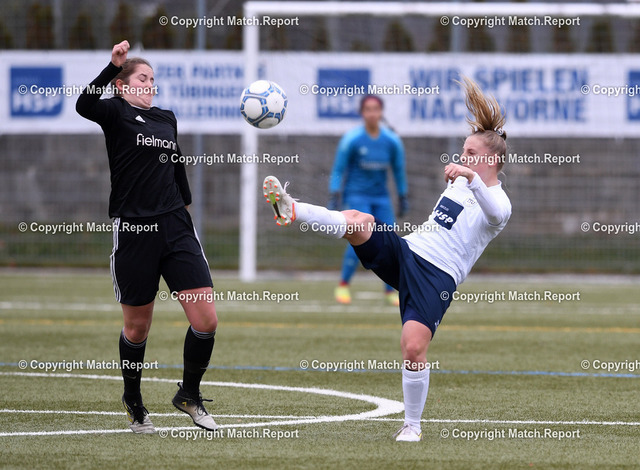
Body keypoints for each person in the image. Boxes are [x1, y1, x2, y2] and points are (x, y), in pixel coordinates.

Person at [262, 76, 511, 442]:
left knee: (413, 349)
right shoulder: (461, 180)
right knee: (360, 221)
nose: (463, 158)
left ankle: (412, 426)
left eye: (471, 154)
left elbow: (493, 212)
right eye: (463, 152)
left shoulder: (499, 201)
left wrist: (470, 176)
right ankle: (292, 208)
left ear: (492, 160)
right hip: (408, 252)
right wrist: (467, 175)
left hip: (436, 279)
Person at [76, 40, 219, 434]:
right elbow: (83, 105)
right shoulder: (114, 112)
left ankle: (189, 394)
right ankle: (134, 401)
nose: (150, 84)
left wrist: (185, 213)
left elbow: (176, 167)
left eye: (153, 79)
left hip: (175, 226)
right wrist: (112, 66)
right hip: (135, 231)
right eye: (142, 78)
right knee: (137, 328)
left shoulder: (166, 118)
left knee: (206, 319)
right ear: (122, 85)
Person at [328, 95, 408, 306]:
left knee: (391, 241)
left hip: (381, 197)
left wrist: (402, 195)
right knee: (358, 237)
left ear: (381, 112)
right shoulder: (352, 139)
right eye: (368, 109)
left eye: (376, 109)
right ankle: (343, 284)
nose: (372, 113)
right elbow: (338, 168)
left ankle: (390, 290)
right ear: (362, 113)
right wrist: (334, 193)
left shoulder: (391, 140)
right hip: (356, 195)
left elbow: (398, 170)